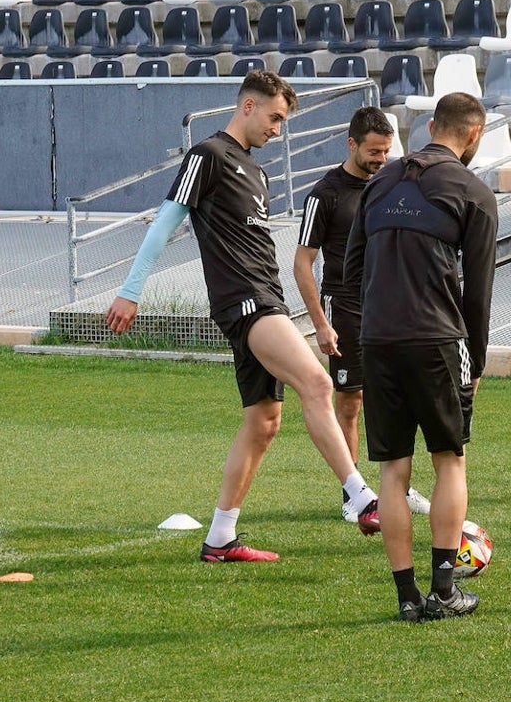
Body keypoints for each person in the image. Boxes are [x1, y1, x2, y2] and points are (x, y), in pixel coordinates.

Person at [105, 71, 381, 563]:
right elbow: (166, 222)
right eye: (274, 117)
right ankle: (361, 497)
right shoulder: (208, 155)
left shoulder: (257, 171)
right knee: (318, 385)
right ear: (248, 106)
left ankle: (219, 539)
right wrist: (130, 292)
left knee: (264, 421)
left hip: (264, 297)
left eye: (284, 121)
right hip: (246, 301)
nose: (278, 128)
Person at [344, 92, 498, 622]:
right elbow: (478, 294)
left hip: (378, 339)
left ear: (432, 126)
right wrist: (474, 363)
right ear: (473, 135)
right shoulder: (473, 191)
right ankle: (445, 591)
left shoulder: (379, 182)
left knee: (392, 471)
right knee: (449, 459)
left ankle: (407, 599)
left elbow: (351, 269)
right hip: (437, 340)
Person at [293, 106, 431, 524]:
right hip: (348, 308)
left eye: (386, 151)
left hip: (392, 306)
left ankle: (398, 488)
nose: (380, 159)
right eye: (373, 151)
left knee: (398, 398)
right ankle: (354, 495)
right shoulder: (324, 194)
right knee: (351, 402)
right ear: (351, 144)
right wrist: (320, 323)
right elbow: (303, 263)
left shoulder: (390, 184)